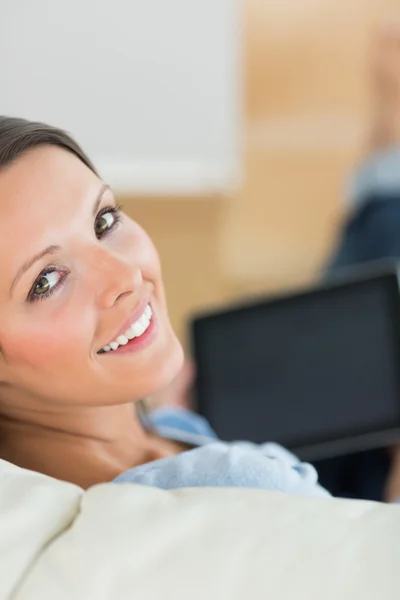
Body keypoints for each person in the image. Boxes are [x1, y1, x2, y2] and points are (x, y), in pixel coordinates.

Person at [0, 115, 329, 498]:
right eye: (46, 281)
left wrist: (164, 414)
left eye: (104, 221)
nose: (126, 275)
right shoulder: (245, 489)